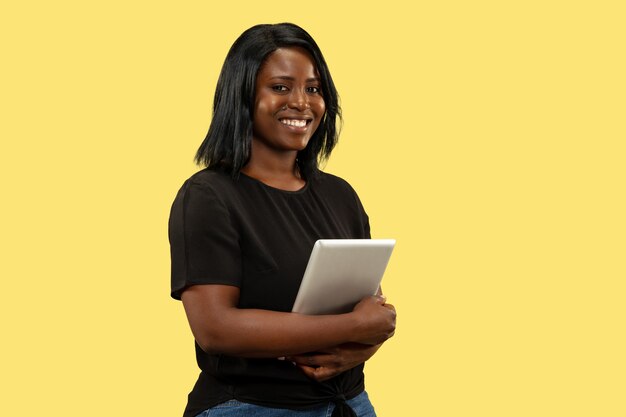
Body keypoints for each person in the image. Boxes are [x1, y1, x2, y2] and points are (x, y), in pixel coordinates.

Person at [168, 23, 396, 417]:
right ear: (243, 96)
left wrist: (364, 343)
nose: (302, 102)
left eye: (313, 88)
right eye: (280, 87)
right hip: (250, 407)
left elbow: (368, 308)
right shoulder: (209, 196)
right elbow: (216, 329)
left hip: (349, 404)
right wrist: (357, 329)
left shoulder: (341, 196)